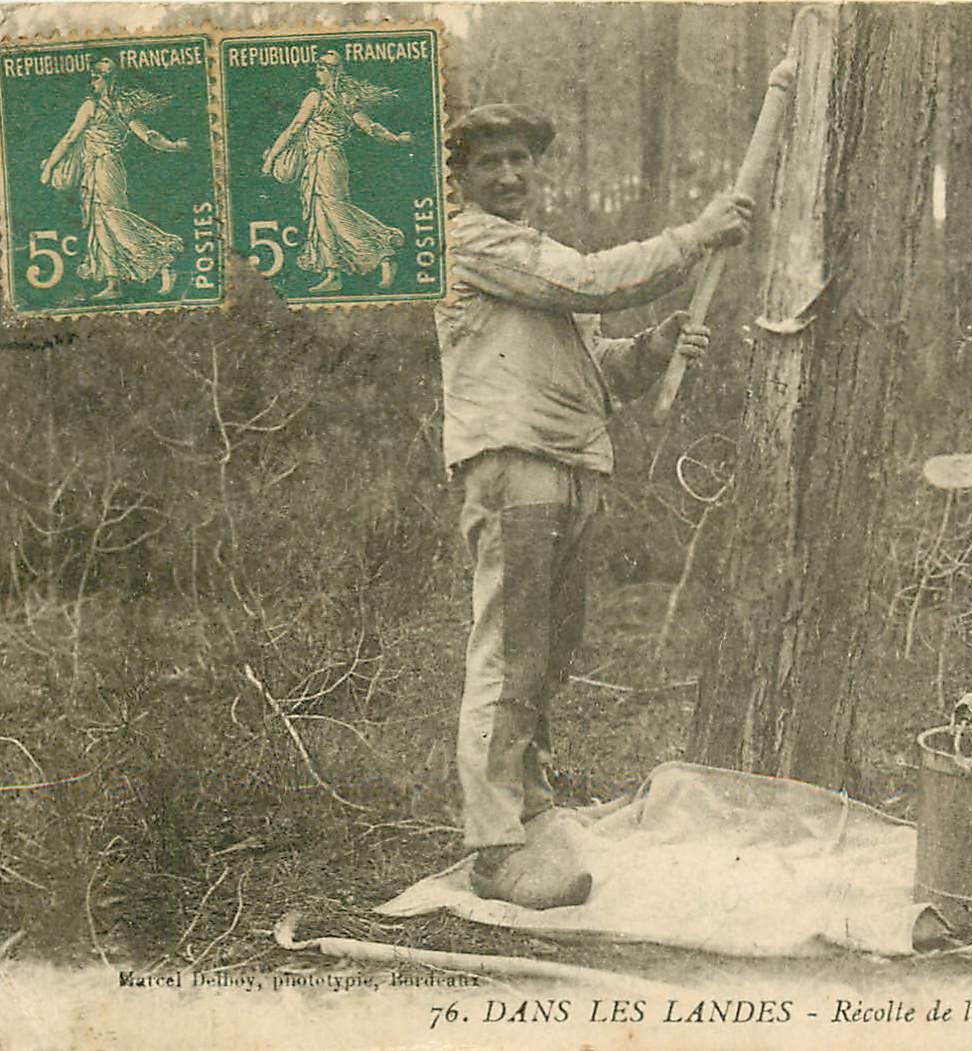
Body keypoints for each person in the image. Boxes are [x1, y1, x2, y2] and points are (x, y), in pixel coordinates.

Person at [436, 102, 754, 909]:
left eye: (521, 161)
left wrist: (654, 347)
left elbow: (593, 372)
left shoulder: (527, 260)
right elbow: (589, 282)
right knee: (508, 657)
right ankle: (495, 845)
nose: (509, 175)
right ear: (460, 177)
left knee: (543, 655)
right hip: (515, 467)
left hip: (570, 466)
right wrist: (696, 236)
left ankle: (530, 808)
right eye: (490, 162)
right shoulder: (472, 241)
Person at [261, 50, 410, 293]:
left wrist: (271, 159)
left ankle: (383, 252)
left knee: (337, 213)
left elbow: (293, 129)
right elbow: (370, 128)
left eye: (321, 69)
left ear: (331, 72)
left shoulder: (315, 98)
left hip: (325, 161)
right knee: (321, 215)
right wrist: (396, 138)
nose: (317, 74)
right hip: (326, 161)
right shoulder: (347, 100)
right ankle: (333, 273)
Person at [40, 56, 188, 300]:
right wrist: (172, 146)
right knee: (100, 223)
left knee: (112, 218)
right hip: (103, 169)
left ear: (107, 80)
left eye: (96, 78)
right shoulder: (123, 107)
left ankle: (161, 259)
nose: (93, 83)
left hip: (103, 168)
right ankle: (113, 283)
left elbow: (69, 138)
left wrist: (49, 168)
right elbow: (149, 136)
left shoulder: (91, 107)